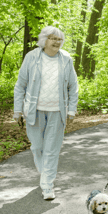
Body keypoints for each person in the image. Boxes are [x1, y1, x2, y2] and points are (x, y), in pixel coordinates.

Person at [13, 26, 78, 200]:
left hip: (58, 111)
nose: (57, 42)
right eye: (52, 38)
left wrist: (72, 109)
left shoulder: (66, 59)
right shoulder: (32, 57)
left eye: (59, 39)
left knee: (52, 149)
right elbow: (20, 85)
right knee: (37, 147)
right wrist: (17, 110)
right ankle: (45, 175)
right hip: (34, 110)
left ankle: (47, 185)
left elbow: (73, 86)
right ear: (44, 40)